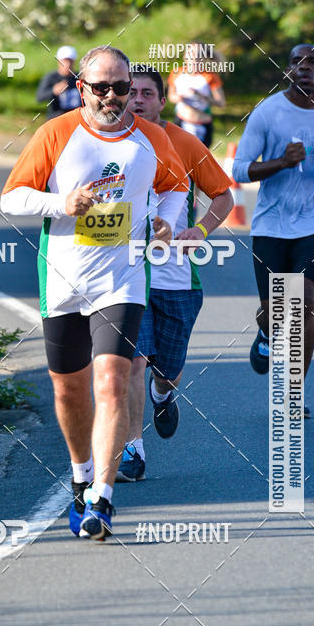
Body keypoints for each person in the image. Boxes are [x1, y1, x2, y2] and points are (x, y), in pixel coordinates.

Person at [1, 46, 189, 540]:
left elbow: (175, 186)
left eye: (121, 88)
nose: (112, 97)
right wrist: (61, 203)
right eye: (101, 87)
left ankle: (102, 498)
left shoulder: (149, 137)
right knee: (68, 388)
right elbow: (13, 196)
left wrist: (167, 222)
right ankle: (81, 474)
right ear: (81, 87)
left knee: (111, 380)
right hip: (63, 279)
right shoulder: (57, 133)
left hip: (122, 278)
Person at [117, 66, 233, 482]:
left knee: (167, 369)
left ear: (163, 101)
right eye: (131, 92)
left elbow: (224, 195)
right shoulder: (112, 141)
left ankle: (162, 393)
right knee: (133, 360)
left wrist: (199, 231)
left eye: (147, 93)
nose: (138, 100)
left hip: (177, 278)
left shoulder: (183, 142)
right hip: (128, 274)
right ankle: (133, 447)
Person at [233, 43, 314, 417]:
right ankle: (268, 332)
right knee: (275, 310)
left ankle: (293, 392)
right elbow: (239, 170)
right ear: (287, 71)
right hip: (270, 224)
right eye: (296, 63)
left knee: (303, 304)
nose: (304, 69)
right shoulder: (268, 112)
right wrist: (280, 162)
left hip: (313, 223)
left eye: (312, 63)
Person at [167, 43, 225, 148]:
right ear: (185, 56)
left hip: (202, 123)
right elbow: (171, 96)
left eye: (198, 55)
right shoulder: (176, 73)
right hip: (182, 121)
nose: (194, 59)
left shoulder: (210, 75)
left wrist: (202, 96)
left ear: (203, 58)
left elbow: (221, 103)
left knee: (200, 160)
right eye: (191, 54)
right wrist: (180, 97)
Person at [36, 46, 82, 119]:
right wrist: (53, 91)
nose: (67, 64)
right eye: (64, 61)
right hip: (57, 119)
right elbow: (39, 98)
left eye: (70, 61)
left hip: (77, 119)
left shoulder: (80, 77)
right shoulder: (51, 77)